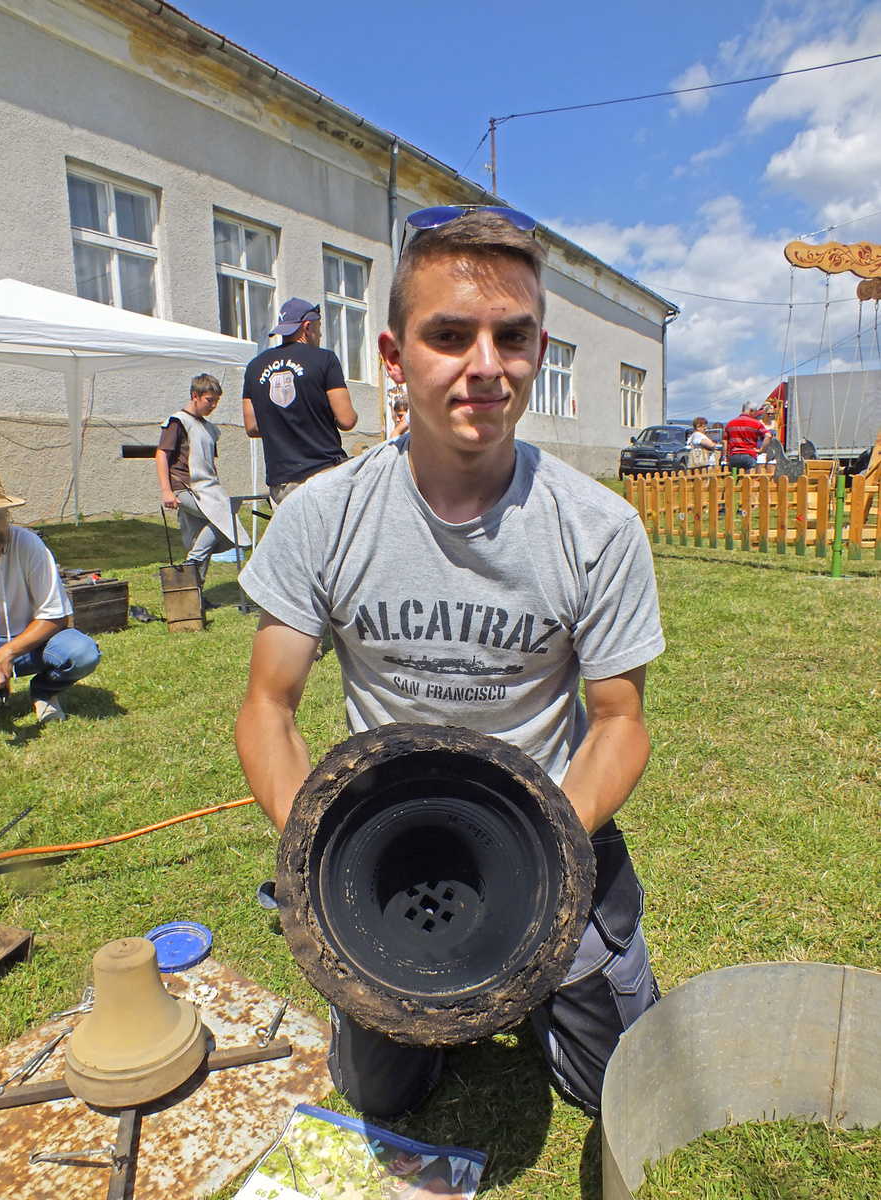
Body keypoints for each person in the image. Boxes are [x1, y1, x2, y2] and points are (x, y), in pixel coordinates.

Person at [236, 208, 665, 1121]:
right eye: (449, 335)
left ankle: (559, 991)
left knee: (626, 1093)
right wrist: (321, 848)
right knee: (379, 1099)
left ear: (539, 349)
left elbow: (621, 724)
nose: (485, 365)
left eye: (512, 337)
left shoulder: (597, 527)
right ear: (394, 358)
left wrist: (541, 854)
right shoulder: (323, 516)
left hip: (550, 824)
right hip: (385, 836)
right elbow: (268, 708)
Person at [0, 472, 100, 729]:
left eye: (0, 517)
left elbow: (56, 615)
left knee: (82, 653)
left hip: (28, 643)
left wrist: (7, 652)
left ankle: (45, 692)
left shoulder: (27, 544)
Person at [242, 298, 358, 505]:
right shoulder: (325, 359)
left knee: (296, 538)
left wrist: (282, 423)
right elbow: (347, 420)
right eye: (319, 327)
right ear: (307, 327)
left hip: (282, 483)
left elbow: (251, 427)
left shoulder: (254, 367)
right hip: (324, 474)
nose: (320, 334)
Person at [156, 374, 250, 586]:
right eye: (209, 400)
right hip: (184, 489)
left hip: (206, 491)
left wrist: (218, 492)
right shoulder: (178, 422)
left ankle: (195, 593)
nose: (213, 405)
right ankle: (192, 563)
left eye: (217, 400)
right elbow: (161, 454)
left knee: (201, 541)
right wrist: (166, 490)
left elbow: (207, 465)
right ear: (195, 396)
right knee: (223, 518)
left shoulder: (209, 429)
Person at [722, 400, 771, 473]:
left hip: (734, 456)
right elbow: (768, 436)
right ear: (751, 411)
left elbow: (725, 441)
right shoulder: (756, 424)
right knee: (748, 481)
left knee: (733, 481)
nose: (755, 414)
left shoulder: (730, 424)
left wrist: (725, 456)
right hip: (749, 455)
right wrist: (761, 450)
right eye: (755, 412)